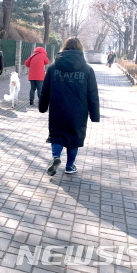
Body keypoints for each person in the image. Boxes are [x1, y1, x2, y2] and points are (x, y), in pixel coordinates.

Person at [39, 37, 100, 176]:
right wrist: (94, 115)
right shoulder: (87, 70)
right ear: (80, 49)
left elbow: (45, 90)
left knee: (57, 135)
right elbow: (93, 94)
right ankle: (70, 166)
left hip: (57, 108)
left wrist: (42, 107)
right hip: (78, 111)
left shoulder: (53, 68)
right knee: (74, 138)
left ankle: (56, 157)